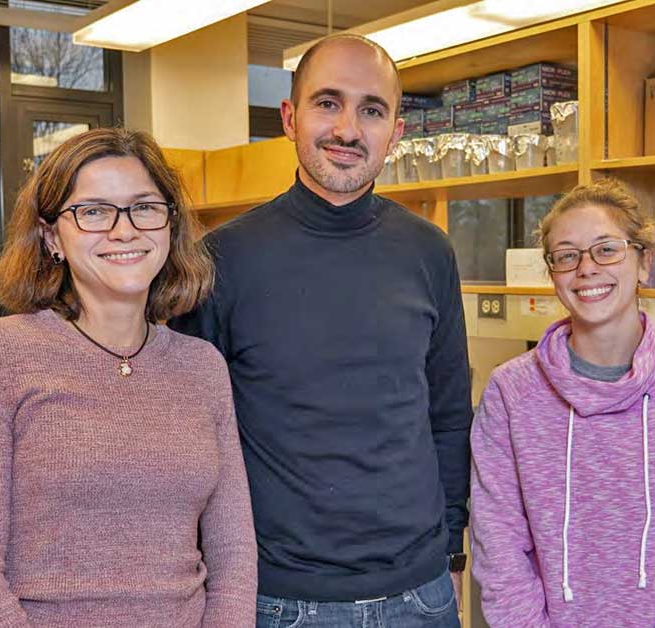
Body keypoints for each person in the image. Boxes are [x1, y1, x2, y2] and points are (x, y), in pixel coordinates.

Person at [170, 34, 472, 627]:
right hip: (275, 598)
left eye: (372, 110)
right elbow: (190, 435)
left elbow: (447, 415)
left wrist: (452, 549)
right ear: (290, 116)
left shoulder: (430, 253)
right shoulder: (222, 261)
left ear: (396, 132)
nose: (348, 129)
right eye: (327, 103)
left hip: (420, 594)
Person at [0, 128, 256, 627]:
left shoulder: (202, 366)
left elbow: (233, 555)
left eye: (144, 207)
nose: (124, 230)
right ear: (51, 236)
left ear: (170, 226)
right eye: (94, 211)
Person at [470, 179, 655, 627]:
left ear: (645, 261)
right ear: (553, 274)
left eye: (606, 249)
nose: (585, 268)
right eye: (566, 256)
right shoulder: (511, 394)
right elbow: (500, 549)